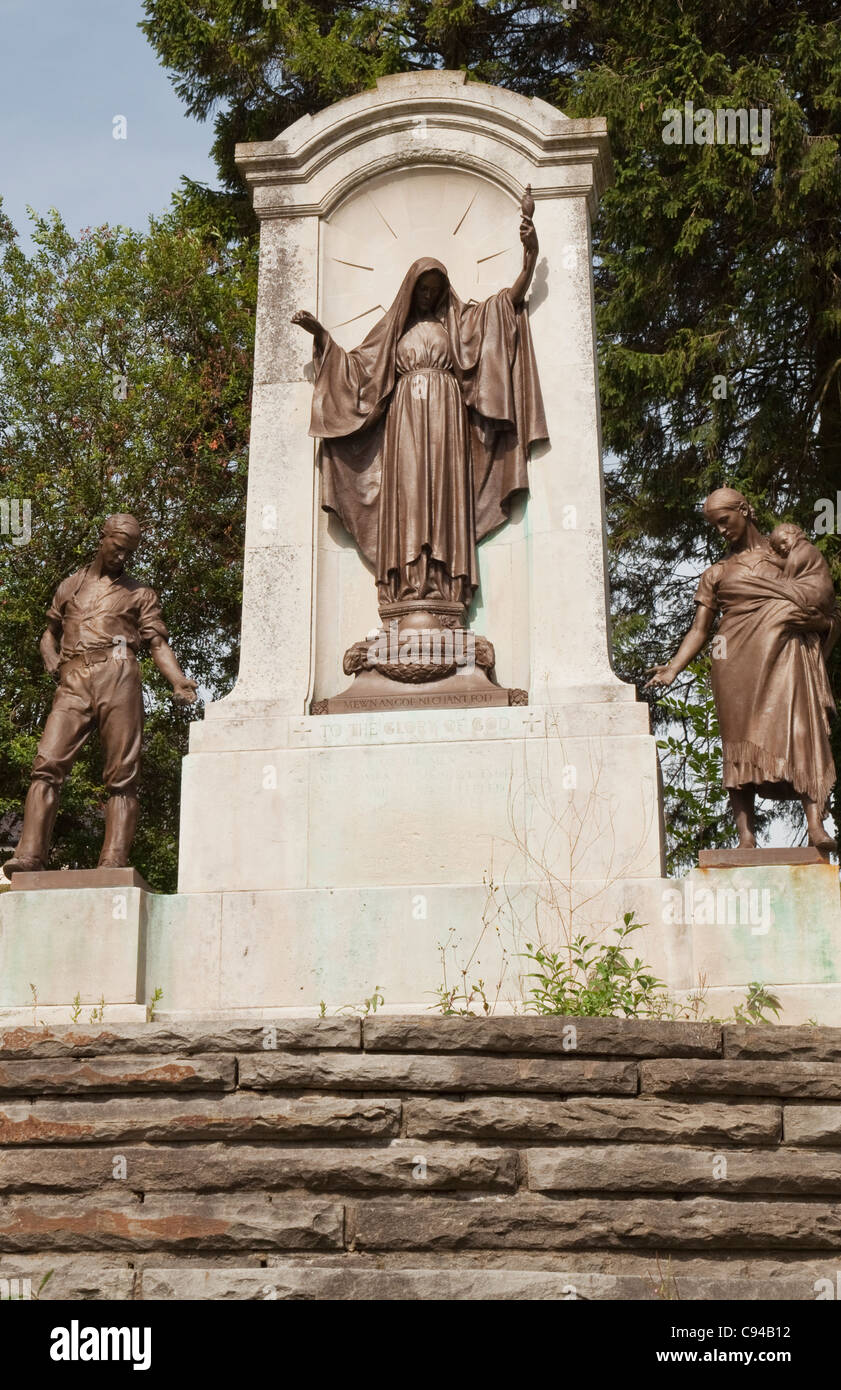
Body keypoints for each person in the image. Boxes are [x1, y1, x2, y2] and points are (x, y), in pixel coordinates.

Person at [292, 207, 547, 608]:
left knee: (443, 492)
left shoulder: (458, 325)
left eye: (434, 289)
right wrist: (322, 336)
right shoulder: (392, 332)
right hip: (405, 422)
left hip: (446, 422)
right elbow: (358, 372)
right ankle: (409, 581)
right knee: (410, 494)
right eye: (422, 289)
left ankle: (445, 582)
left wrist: (529, 258)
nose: (428, 296)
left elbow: (506, 305)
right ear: (411, 290)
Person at [4, 514, 197, 874]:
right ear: (102, 538)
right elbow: (50, 632)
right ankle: (30, 853)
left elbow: (157, 643)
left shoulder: (140, 593)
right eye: (118, 548)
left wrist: (177, 679)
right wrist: (51, 659)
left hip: (118, 671)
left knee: (122, 773)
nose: (123, 557)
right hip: (73, 680)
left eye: (130, 552)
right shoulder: (70, 586)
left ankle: (113, 860)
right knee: (47, 762)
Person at [645, 489, 837, 851]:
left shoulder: (783, 554)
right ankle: (745, 836)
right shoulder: (716, 573)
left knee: (801, 730)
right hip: (732, 662)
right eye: (713, 526)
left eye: (724, 521)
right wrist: (673, 668)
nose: (720, 530)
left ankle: (816, 826)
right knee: (739, 744)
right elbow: (700, 630)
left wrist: (816, 621)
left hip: (785, 656)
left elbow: (819, 595)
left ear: (745, 510)